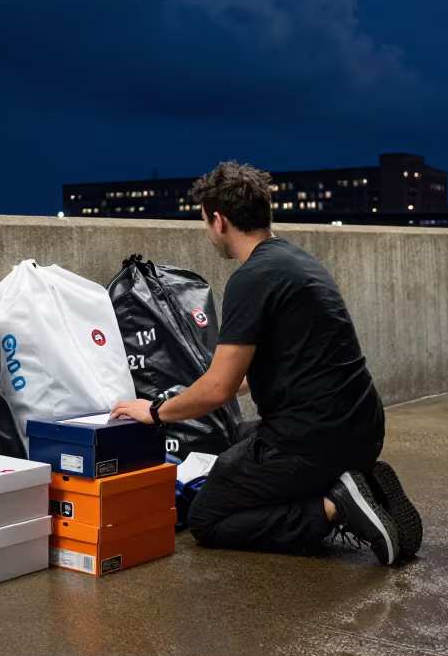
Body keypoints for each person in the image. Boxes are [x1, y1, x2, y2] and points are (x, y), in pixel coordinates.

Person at [110, 161, 422, 566]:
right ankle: (359, 486)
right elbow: (247, 376)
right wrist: (199, 387)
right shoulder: (295, 260)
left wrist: (155, 412)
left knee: (208, 517)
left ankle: (337, 505)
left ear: (219, 221)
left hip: (315, 441)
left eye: (205, 222)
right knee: (237, 437)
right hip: (361, 429)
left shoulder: (252, 277)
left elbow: (220, 389)